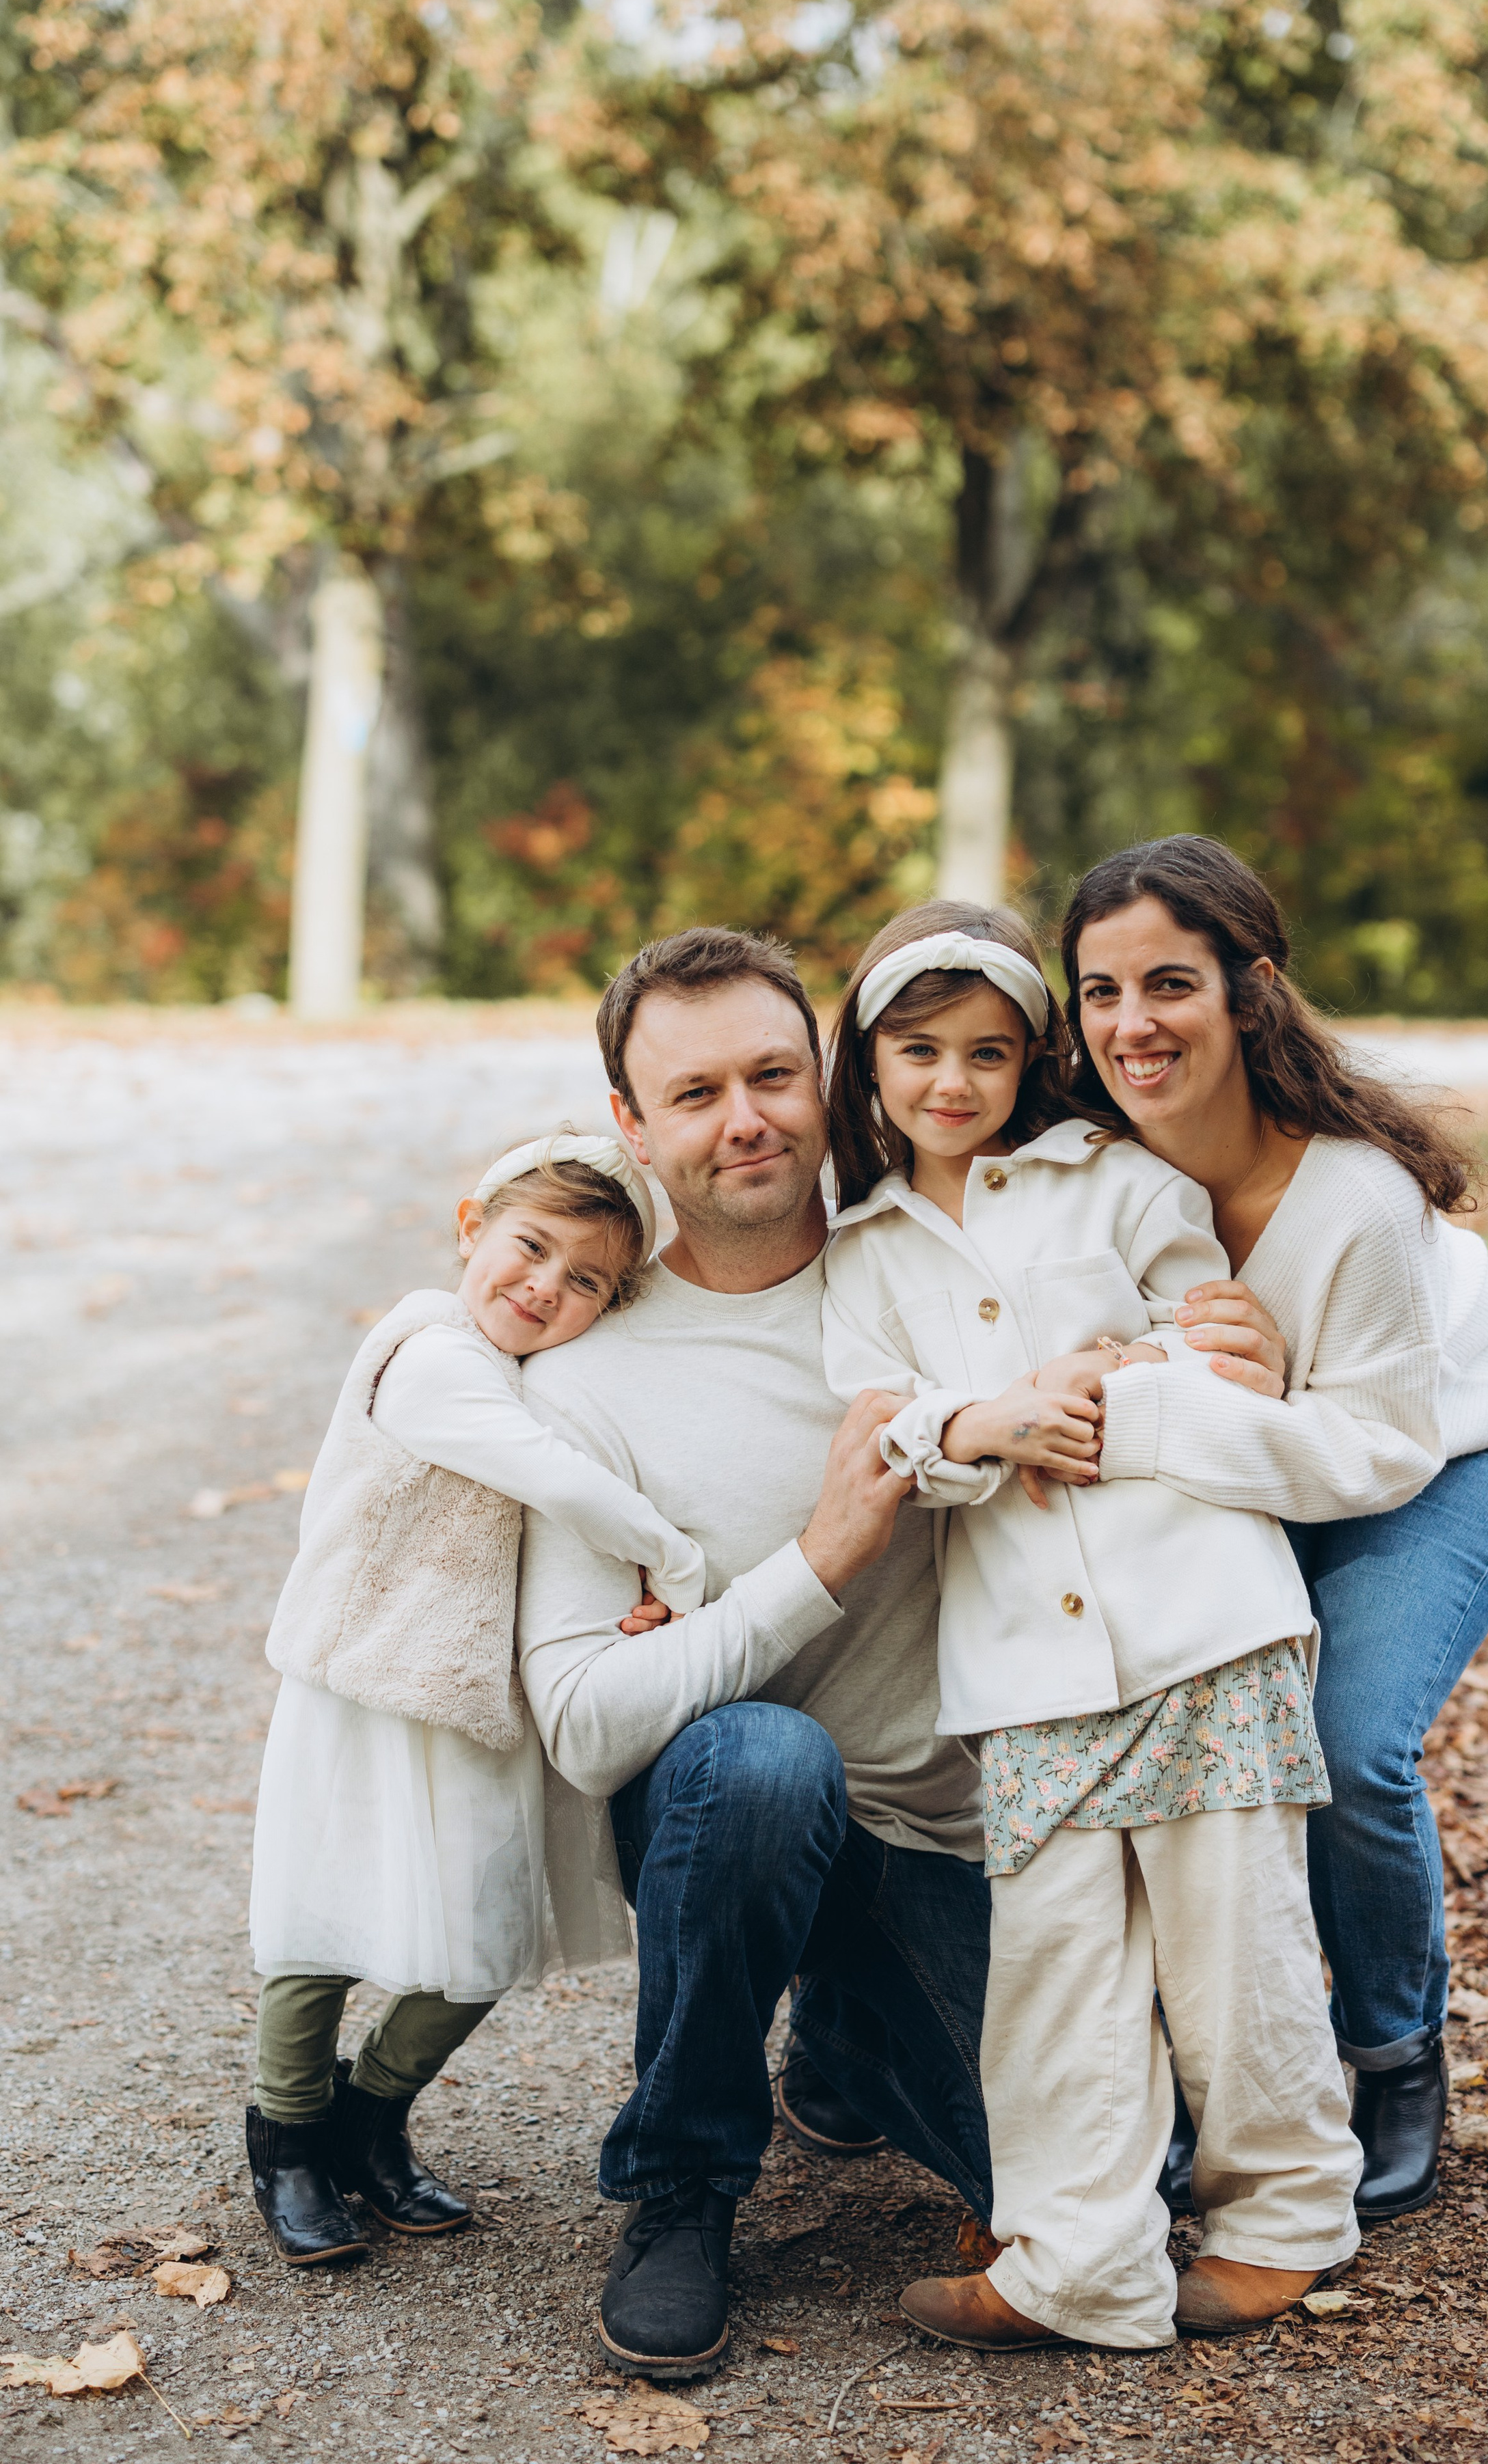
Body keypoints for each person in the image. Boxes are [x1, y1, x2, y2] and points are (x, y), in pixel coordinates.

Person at [816, 900, 1361, 2351]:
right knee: (1057, 1968)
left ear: (1028, 1060)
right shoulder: (856, 1253)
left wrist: (1112, 1369)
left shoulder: (1108, 1181)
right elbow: (879, 1435)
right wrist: (984, 1418)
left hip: (1196, 1619)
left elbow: (1217, 1337)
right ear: (866, 1061)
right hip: (1022, 1662)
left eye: (986, 1053)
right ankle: (1079, 2256)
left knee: (1229, 1944)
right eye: (918, 1050)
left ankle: (1286, 2219)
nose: (950, 1082)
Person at [513, 927, 992, 2383]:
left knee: (1115, 2199)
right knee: (762, 1760)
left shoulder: (931, 1271)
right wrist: (816, 1563)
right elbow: (587, 1728)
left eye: (776, 1074)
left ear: (825, 1077)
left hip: (953, 1830)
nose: (747, 1120)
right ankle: (682, 2180)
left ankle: (843, 2042)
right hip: (733, 1807)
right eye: (697, 1090)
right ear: (632, 1125)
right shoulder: (585, 1371)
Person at [1057, 836, 1488, 2225]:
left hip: (1433, 1461)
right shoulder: (1086, 1163)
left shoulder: (1353, 1202)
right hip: (1262, 1462)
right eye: (1097, 992)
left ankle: (1391, 2051)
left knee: (1343, 1740)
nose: (1129, 1025)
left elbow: (1375, 1446)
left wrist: (1157, 1413)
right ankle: (1165, 2070)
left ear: (1248, 988)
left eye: (1167, 984)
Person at [247, 1134, 706, 2267]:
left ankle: (369, 2117)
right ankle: (289, 2132)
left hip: (476, 1700)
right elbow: (551, 1474)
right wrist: (674, 1562)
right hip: (365, 1685)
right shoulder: (429, 1351)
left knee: (489, 1931)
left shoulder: (540, 1375)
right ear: (471, 1227)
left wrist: (618, 1602)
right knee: (321, 1928)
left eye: (587, 1279)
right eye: (531, 1247)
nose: (546, 1285)